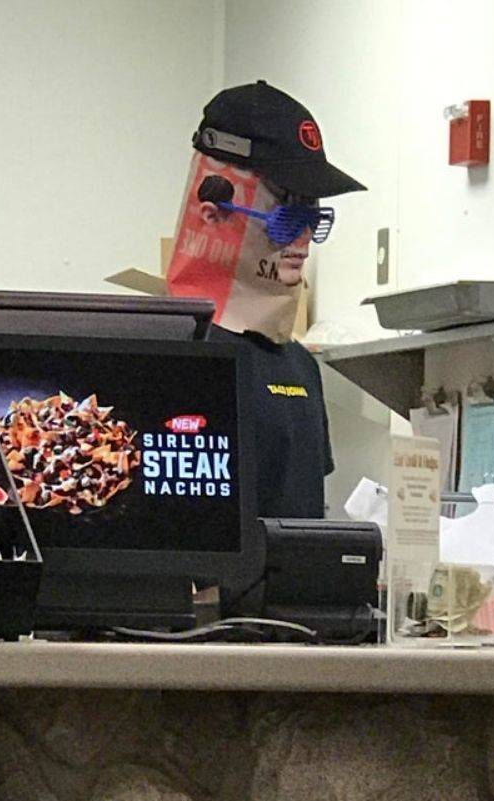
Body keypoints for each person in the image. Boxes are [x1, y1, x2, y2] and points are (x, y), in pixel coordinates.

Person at [167, 80, 365, 518]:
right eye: (287, 216)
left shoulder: (301, 366)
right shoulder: (172, 356)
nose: (305, 238)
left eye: (315, 218)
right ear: (213, 211)